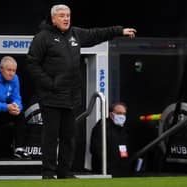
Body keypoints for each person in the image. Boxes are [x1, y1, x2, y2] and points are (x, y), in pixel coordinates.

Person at [26, 4, 136, 179]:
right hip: (51, 97)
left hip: (70, 97)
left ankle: (64, 171)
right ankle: (48, 172)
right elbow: (32, 63)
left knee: (69, 137)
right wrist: (49, 83)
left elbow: (96, 34)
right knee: (51, 137)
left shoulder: (75, 34)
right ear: (53, 18)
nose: (66, 18)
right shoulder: (43, 37)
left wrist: (119, 31)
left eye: (68, 15)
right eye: (62, 15)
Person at [90, 102, 130, 177]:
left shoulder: (123, 129)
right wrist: (107, 167)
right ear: (111, 114)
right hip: (105, 170)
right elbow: (95, 149)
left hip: (121, 170)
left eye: (124, 114)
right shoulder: (102, 126)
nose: (122, 116)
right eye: (119, 113)